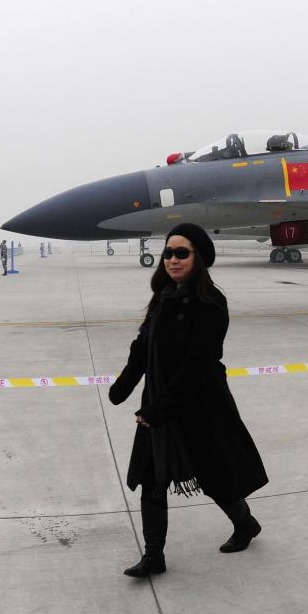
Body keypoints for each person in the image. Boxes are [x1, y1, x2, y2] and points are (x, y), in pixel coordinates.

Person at [108, 223, 268, 578]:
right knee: (152, 477)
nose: (172, 260)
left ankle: (246, 524)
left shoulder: (210, 303)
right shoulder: (163, 297)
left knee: (214, 476)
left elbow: (198, 363)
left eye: (181, 253)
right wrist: (123, 386)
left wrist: (157, 409)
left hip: (198, 404)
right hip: (160, 401)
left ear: (200, 258)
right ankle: (154, 556)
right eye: (168, 253)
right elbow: (141, 348)